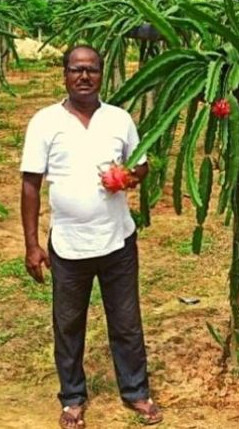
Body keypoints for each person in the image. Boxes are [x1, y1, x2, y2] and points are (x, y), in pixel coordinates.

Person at [20, 45, 162, 428]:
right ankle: (72, 398)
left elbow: (142, 164)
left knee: (126, 321)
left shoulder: (119, 119)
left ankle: (136, 392)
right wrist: (32, 244)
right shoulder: (45, 122)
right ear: (64, 74)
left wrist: (130, 177)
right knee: (68, 324)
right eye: (76, 70)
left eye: (92, 70)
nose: (84, 76)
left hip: (117, 240)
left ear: (102, 74)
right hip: (68, 246)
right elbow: (31, 184)